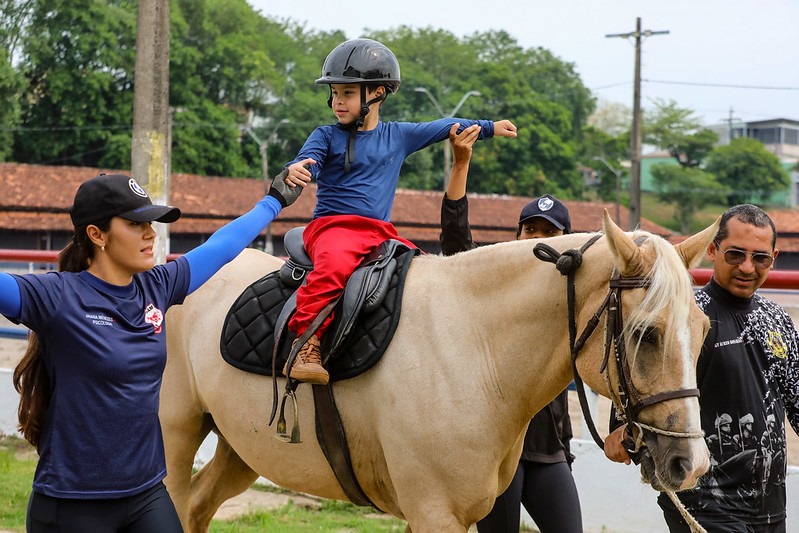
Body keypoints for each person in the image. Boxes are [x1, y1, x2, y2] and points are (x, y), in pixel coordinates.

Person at [2, 171, 300, 532]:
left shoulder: (156, 286)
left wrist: (275, 200)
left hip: (145, 494)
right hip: (73, 502)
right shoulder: (56, 296)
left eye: (151, 222)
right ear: (96, 235)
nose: (150, 234)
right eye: (135, 224)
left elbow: (222, 247)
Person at [280, 38, 517, 385]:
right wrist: (298, 169)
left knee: (422, 276)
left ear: (376, 93)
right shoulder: (325, 136)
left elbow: (445, 124)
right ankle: (305, 342)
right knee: (332, 268)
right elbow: (306, 161)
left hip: (381, 233)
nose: (336, 102)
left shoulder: (399, 136)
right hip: (333, 229)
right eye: (334, 94)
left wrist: (488, 127)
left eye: (346, 93)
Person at [604, 204, 799, 533]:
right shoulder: (685, 319)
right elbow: (632, 409)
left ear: (774, 258)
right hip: (702, 503)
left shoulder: (777, 319)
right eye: (735, 254)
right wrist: (626, 434)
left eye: (760, 258)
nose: (747, 267)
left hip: (770, 509)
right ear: (712, 250)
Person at [439, 124, 582, 533]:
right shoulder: (494, 288)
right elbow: (455, 244)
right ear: (518, 235)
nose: (537, 238)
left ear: (567, 242)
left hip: (550, 452)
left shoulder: (572, 297)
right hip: (499, 450)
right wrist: (461, 165)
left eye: (550, 233)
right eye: (531, 230)